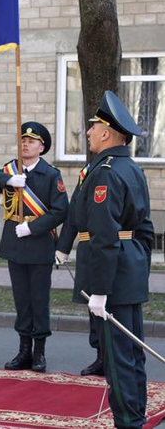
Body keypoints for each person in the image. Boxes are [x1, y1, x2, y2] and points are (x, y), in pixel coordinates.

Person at [74, 91, 153, 429]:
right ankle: (135, 415)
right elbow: (146, 231)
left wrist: (101, 290)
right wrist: (137, 267)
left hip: (112, 278)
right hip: (129, 272)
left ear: (107, 133)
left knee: (118, 358)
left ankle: (127, 422)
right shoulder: (131, 168)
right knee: (132, 354)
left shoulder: (105, 172)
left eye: (93, 127)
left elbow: (105, 237)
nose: (89, 132)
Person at [0, 122, 68, 373]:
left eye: (31, 141)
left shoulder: (50, 174)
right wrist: (8, 179)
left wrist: (33, 227)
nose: (25, 144)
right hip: (15, 244)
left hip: (38, 244)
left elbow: (61, 210)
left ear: (41, 147)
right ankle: (23, 350)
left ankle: (39, 352)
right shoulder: (9, 169)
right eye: (22, 140)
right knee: (21, 300)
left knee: (39, 300)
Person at [55, 164, 105, 377]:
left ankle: (113, 355)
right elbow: (74, 210)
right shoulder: (87, 171)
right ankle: (100, 355)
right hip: (86, 248)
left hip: (109, 246)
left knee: (108, 305)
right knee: (92, 305)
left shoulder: (116, 169)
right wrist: (63, 247)